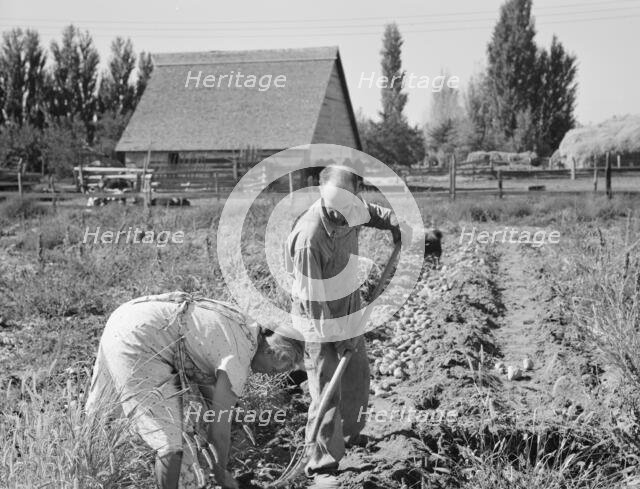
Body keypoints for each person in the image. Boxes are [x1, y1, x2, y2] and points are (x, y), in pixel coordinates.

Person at [85, 291, 303, 489]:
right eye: (278, 367)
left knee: (99, 417)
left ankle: (84, 474)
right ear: (270, 351)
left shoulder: (246, 325)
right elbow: (220, 429)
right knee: (169, 443)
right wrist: (221, 474)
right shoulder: (240, 358)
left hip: (127, 315)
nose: (272, 375)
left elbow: (211, 392)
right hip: (140, 340)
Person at [284, 164, 408, 477]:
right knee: (327, 389)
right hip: (318, 319)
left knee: (357, 376)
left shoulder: (351, 206)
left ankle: (349, 436)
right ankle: (322, 463)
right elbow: (313, 304)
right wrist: (340, 338)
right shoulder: (309, 238)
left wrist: (394, 222)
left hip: (349, 305)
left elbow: (373, 212)